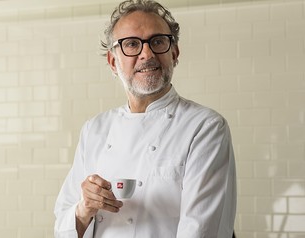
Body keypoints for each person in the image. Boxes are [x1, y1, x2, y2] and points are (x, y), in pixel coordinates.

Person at [54, 0, 237, 237]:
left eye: (158, 41)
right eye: (131, 44)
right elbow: (63, 229)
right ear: (112, 62)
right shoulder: (95, 130)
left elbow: (202, 231)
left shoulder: (205, 127)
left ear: (174, 53)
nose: (147, 54)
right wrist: (84, 209)